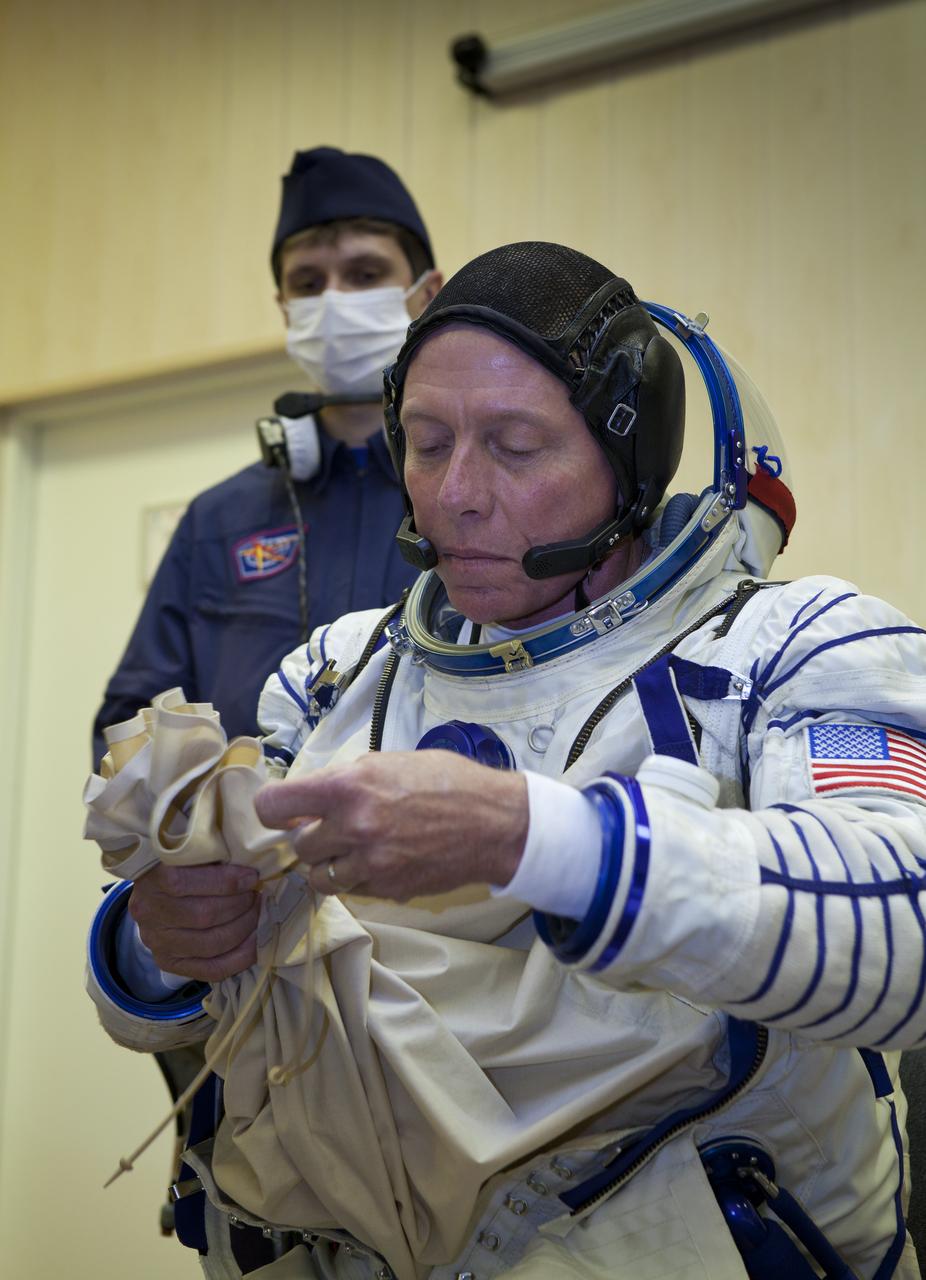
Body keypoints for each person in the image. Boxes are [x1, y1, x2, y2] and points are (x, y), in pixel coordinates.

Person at [85, 242, 926, 1279]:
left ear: (627, 458)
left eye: (515, 444)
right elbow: (224, 1002)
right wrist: (158, 943)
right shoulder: (340, 673)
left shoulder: (790, 647)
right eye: (426, 442)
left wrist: (530, 838)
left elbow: (905, 931)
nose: (455, 494)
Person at [91, 145, 442, 767]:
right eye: (308, 283)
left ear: (425, 294)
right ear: (284, 308)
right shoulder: (218, 520)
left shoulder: (472, 496)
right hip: (256, 857)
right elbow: (129, 725)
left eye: (364, 274)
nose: (333, 301)